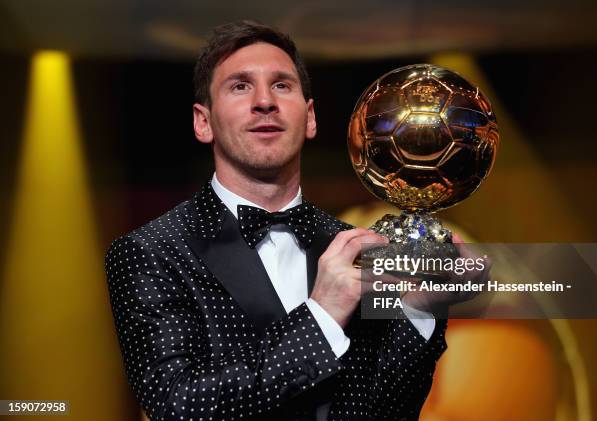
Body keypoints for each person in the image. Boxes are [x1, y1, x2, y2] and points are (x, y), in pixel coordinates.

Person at [105, 20, 449, 421]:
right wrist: (322, 317)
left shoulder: (352, 247)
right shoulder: (149, 252)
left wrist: (422, 311)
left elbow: (385, 411)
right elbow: (179, 406)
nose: (264, 101)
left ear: (310, 118)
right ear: (203, 122)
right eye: (240, 86)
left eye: (282, 85)